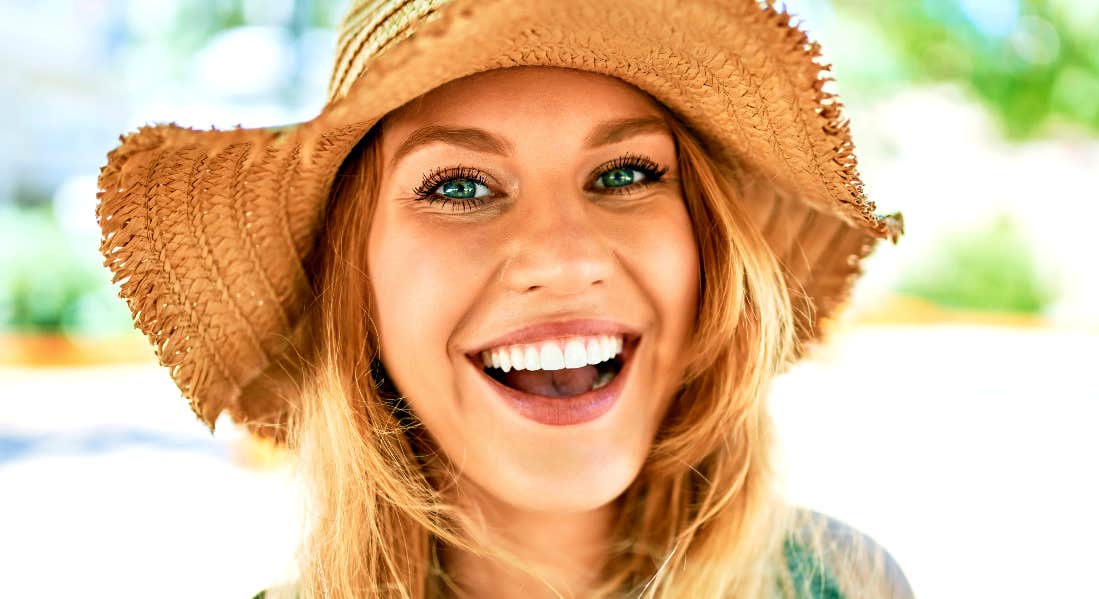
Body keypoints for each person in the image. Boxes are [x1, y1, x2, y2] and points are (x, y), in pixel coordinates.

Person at [96, 1, 909, 598]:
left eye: (626, 173)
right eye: (458, 185)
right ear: (358, 287)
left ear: (708, 248)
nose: (564, 259)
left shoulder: (847, 582)